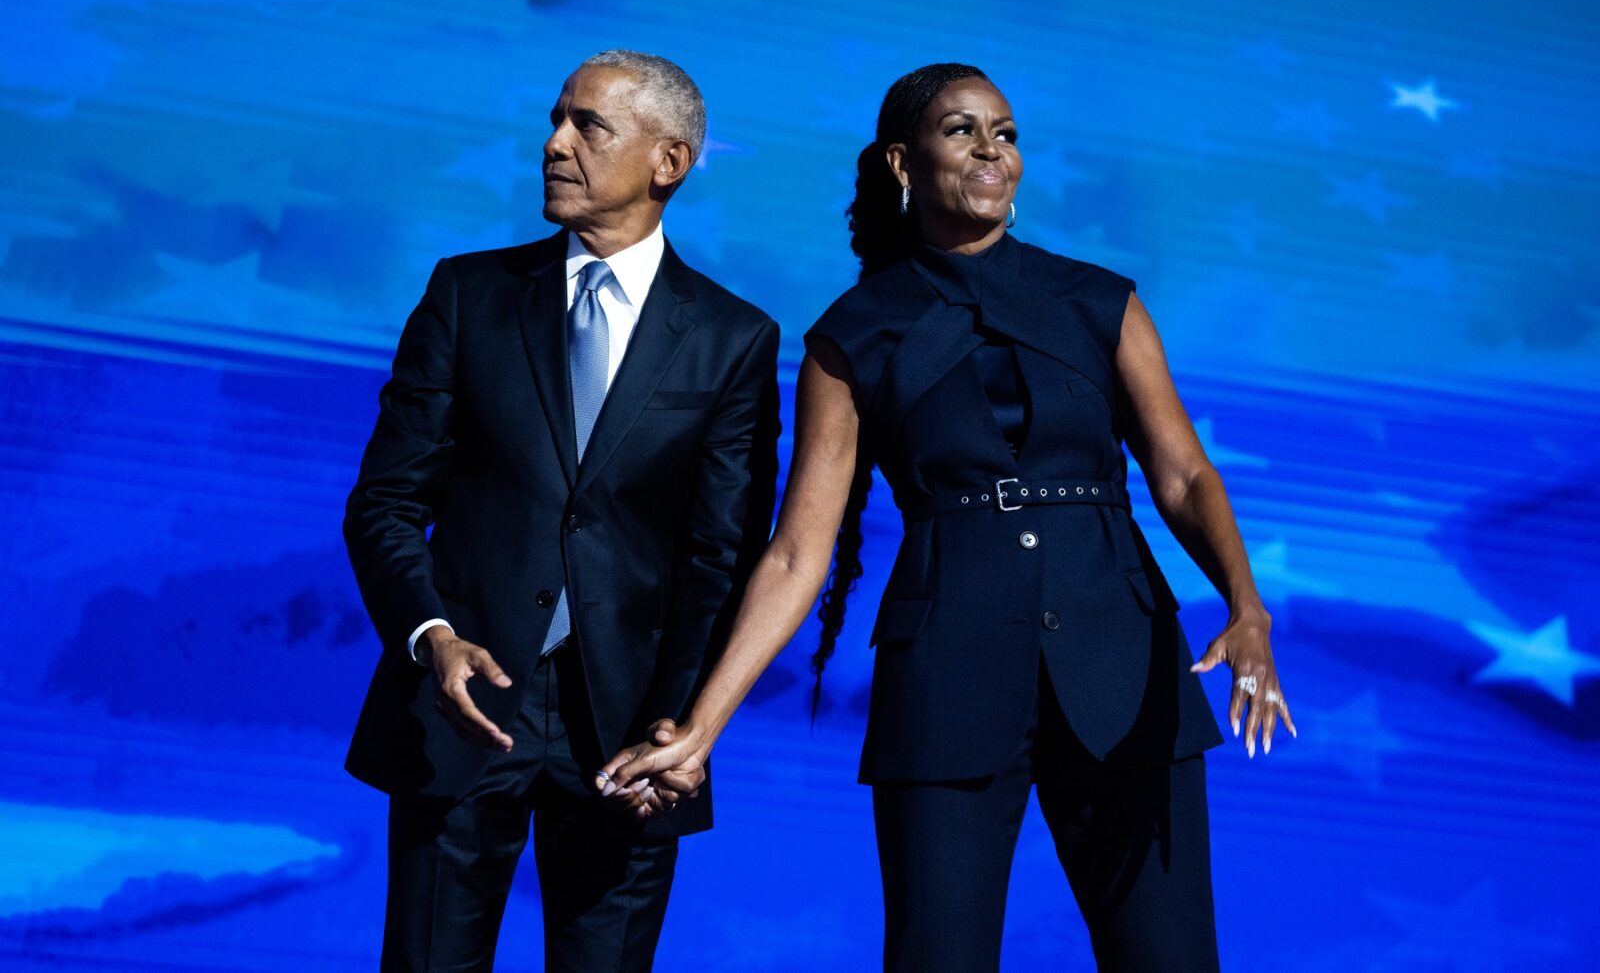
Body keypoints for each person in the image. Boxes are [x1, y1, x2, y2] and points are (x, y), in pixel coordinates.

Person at [600, 63, 1295, 971]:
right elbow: (797, 553)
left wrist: (1246, 607)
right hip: (947, 679)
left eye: (1005, 133)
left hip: (1123, 663)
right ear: (902, 160)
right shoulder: (851, 336)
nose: (990, 151)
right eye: (962, 130)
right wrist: (701, 726)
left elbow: (1184, 474)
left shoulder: (1100, 300)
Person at [342, 49, 780, 972]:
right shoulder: (468, 296)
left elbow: (723, 556)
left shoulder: (734, 340)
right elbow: (384, 501)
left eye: (589, 125)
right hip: (461, 715)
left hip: (631, 742)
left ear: (669, 162)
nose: (555, 143)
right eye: (555, 118)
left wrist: (680, 724)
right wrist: (431, 634)